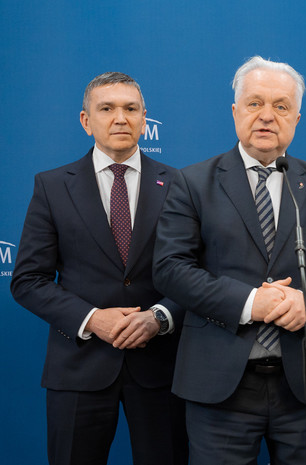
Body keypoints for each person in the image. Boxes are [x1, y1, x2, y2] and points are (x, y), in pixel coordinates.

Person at [152, 55, 306, 465]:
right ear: (235, 111)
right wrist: (251, 303)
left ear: (296, 119)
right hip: (219, 386)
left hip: (304, 385)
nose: (267, 116)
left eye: (281, 106)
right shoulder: (192, 182)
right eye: (255, 103)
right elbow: (170, 268)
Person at [10, 72, 187, 465]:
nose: (120, 118)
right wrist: (92, 319)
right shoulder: (52, 186)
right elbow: (27, 280)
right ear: (86, 120)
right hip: (78, 366)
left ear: (144, 119)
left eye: (130, 109)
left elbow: (195, 273)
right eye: (106, 108)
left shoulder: (180, 184)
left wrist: (159, 318)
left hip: (161, 367)